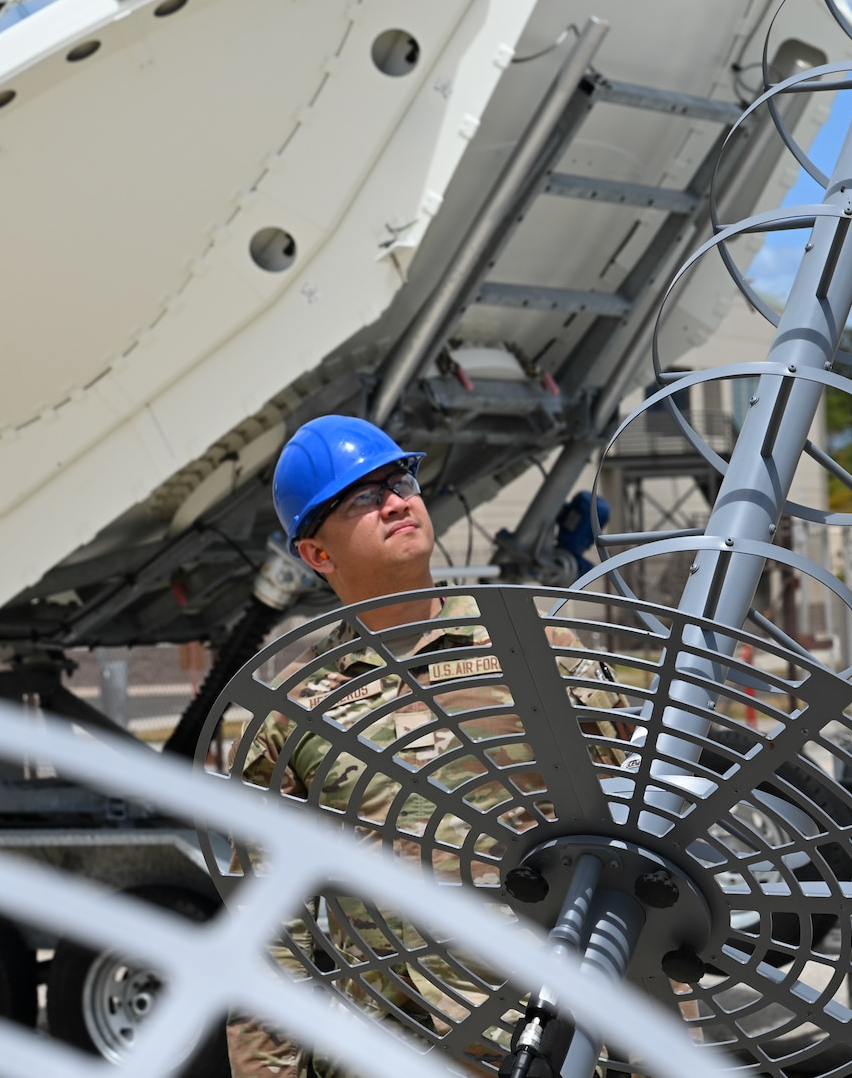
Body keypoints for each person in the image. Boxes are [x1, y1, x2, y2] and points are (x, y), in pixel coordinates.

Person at [224, 415, 621, 1078]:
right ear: (317, 554)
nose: (396, 500)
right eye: (361, 497)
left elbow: (628, 849)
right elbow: (274, 936)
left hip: (547, 1041)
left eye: (399, 479)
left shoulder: (537, 651)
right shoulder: (292, 713)